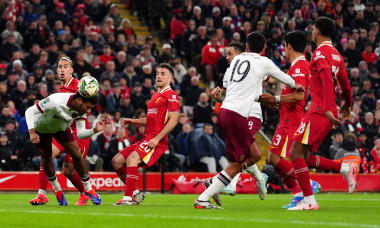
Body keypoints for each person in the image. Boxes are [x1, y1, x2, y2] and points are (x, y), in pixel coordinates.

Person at [195, 32, 297, 209]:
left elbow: (229, 93)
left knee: (255, 155)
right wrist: (297, 86)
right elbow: (287, 80)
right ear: (264, 49)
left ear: (246, 47)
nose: (228, 57)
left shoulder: (234, 63)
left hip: (227, 113)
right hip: (237, 115)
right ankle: (206, 194)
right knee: (238, 162)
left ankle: (223, 183)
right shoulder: (263, 61)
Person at [287, 17, 357, 211]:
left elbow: (327, 80)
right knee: (305, 156)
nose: (312, 32)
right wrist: (347, 105)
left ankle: (309, 201)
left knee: (294, 153)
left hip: (320, 111)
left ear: (317, 32)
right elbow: (346, 86)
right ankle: (345, 168)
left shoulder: (318, 54)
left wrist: (326, 109)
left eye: (313, 29)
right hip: (326, 111)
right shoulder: (337, 55)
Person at [27, 56, 105, 206]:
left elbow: (83, 110)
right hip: (63, 128)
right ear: (57, 70)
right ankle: (42, 194)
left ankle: (85, 192)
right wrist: (44, 106)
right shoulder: (62, 89)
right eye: (60, 67)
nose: (62, 69)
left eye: (65, 67)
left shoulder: (78, 85)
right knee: (47, 156)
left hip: (77, 132)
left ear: (72, 70)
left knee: (68, 170)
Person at [259, 31, 321, 208]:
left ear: (289, 46)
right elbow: (290, 91)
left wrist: (276, 99)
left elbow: (299, 96)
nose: (284, 50)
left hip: (291, 120)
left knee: (276, 158)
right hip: (286, 118)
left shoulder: (300, 66)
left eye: (284, 47)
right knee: (272, 158)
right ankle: (299, 193)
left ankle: (306, 186)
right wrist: (277, 92)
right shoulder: (296, 66)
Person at [207, 42, 268, 204]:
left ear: (240, 54)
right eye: (226, 55)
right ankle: (260, 179)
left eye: (230, 54)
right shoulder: (230, 72)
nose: (227, 58)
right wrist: (217, 97)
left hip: (252, 114)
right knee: (248, 152)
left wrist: (276, 98)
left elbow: (275, 78)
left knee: (243, 152)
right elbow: (227, 99)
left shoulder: (254, 66)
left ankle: (228, 184)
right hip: (237, 115)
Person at [112, 63, 179, 206]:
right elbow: (151, 119)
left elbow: (173, 121)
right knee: (116, 161)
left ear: (170, 78)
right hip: (147, 137)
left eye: (163, 74)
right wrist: (135, 121)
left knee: (131, 160)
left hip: (156, 140)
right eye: (158, 73)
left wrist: (157, 138)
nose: (159, 76)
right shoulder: (156, 95)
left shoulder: (171, 95)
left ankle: (128, 198)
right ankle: (135, 192)